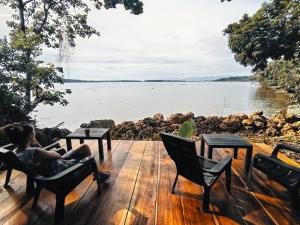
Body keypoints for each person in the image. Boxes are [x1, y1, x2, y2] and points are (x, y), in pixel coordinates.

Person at [2, 122, 110, 180]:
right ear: (30, 136)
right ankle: (97, 174)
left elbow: (42, 157)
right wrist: (38, 145)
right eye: (33, 132)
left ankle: (97, 174)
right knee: (87, 154)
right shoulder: (35, 151)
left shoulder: (16, 153)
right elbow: (57, 155)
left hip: (49, 169)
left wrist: (36, 146)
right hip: (60, 172)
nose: (35, 134)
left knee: (83, 146)